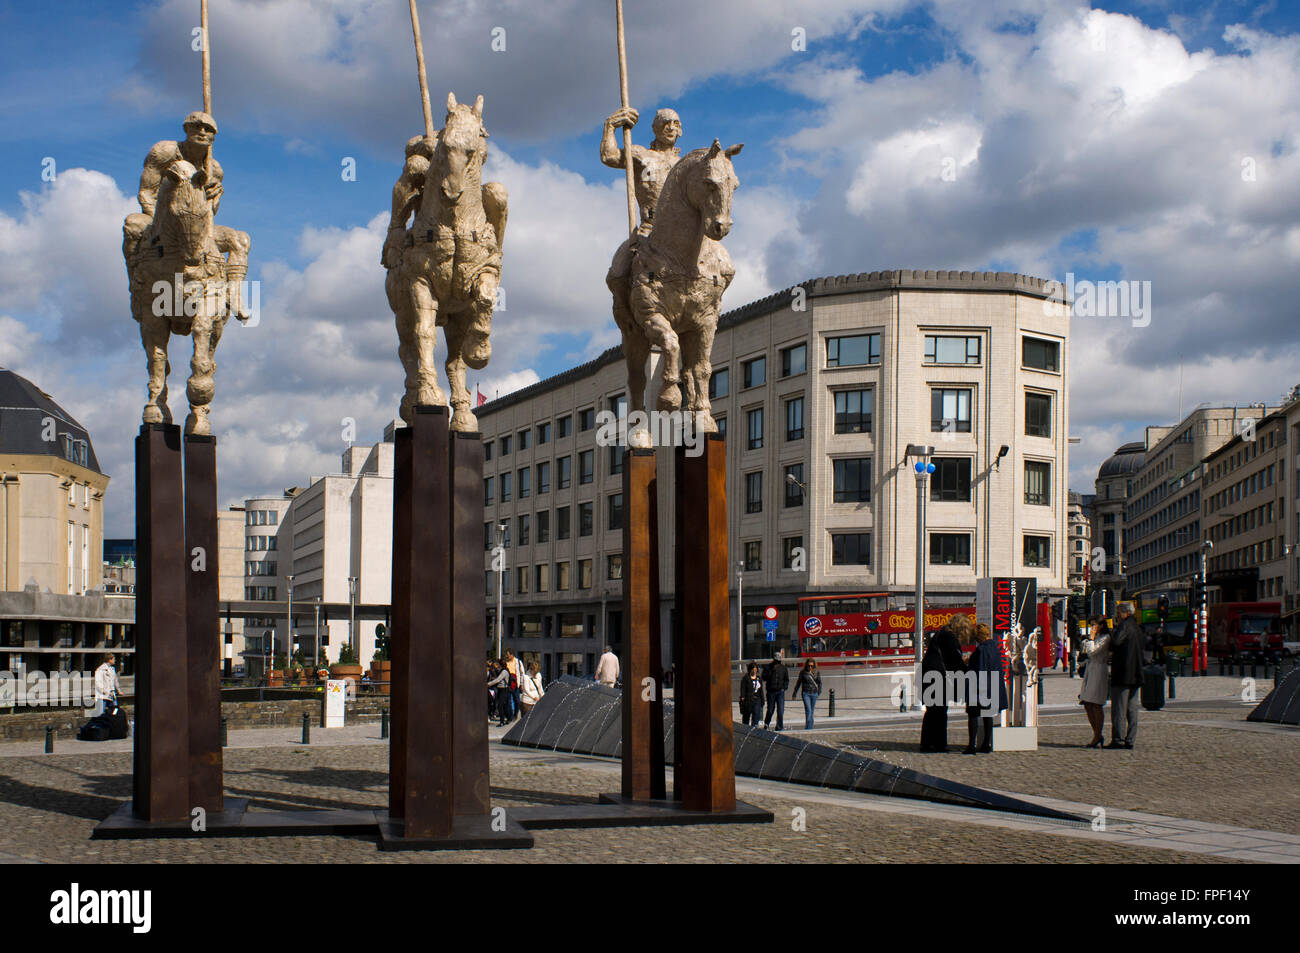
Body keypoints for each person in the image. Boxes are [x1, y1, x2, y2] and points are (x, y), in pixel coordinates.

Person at [919, 615, 971, 752]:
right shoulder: (950, 637)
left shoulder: (941, 634)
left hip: (929, 675)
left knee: (931, 712)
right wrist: (968, 669)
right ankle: (938, 744)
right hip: (937, 677)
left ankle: (927, 743)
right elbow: (954, 660)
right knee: (940, 712)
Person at [963, 623, 1008, 754]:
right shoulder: (995, 648)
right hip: (992, 686)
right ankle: (986, 744)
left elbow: (979, 669)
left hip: (980, 687)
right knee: (988, 715)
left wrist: (968, 662)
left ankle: (971, 745)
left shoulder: (981, 650)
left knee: (973, 715)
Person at [1107, 603, 1145, 749]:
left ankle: (1118, 739)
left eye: (1118, 612)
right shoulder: (1137, 627)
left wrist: (1112, 632)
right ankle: (1130, 739)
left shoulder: (1125, 626)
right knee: (1132, 708)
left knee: (1119, 708)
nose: (1117, 615)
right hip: (1136, 673)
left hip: (1123, 672)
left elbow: (1116, 641)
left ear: (1125, 613)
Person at [1078, 615, 1111, 747]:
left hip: (1099, 671)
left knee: (1096, 703)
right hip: (1090, 670)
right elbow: (1085, 650)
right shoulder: (1096, 638)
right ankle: (1096, 733)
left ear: (1101, 626)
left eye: (1094, 625)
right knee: (1087, 703)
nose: (1092, 628)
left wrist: (1090, 639)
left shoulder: (1105, 638)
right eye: (1091, 625)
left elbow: (1092, 651)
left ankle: (1098, 734)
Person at [791, 659, 822, 729]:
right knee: (808, 710)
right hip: (806, 693)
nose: (810, 667)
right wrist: (794, 693)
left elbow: (819, 682)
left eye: (812, 666)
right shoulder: (803, 672)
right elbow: (798, 683)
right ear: (806, 665)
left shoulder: (816, 672)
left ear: (814, 666)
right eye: (809, 665)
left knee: (812, 711)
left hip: (814, 693)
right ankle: (808, 727)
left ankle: (810, 727)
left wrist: (819, 691)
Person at [762, 651, 789, 730]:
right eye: (776, 660)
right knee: (770, 709)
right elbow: (764, 677)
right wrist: (771, 671)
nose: (777, 662)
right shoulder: (768, 667)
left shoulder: (783, 668)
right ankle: (767, 723)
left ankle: (779, 726)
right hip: (771, 691)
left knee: (780, 710)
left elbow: (786, 679)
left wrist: (784, 687)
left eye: (778, 661)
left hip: (780, 691)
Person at [486, 660, 511, 727]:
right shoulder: (500, 670)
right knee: (503, 705)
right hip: (500, 689)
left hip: (504, 689)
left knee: (500, 705)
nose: (495, 666)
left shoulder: (504, 671)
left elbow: (498, 680)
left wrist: (488, 684)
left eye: (497, 664)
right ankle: (508, 718)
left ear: (500, 664)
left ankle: (502, 721)